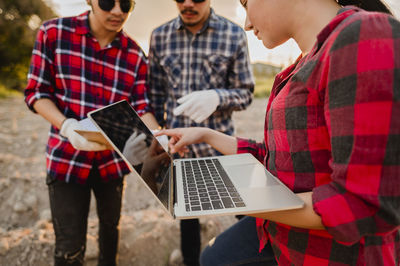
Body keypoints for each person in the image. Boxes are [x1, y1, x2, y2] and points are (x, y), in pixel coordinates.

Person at [156, 0, 400, 265]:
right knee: (214, 257)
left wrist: (234, 196)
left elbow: (366, 204)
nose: (247, 23)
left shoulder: (361, 34)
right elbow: (276, 157)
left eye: (246, 3)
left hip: (329, 255)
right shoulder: (301, 63)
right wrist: (206, 134)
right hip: (282, 239)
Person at [24, 0, 158, 265]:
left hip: (112, 164)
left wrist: (159, 136)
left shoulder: (135, 54)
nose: (118, 11)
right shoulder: (53, 33)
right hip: (66, 162)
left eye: (127, 4)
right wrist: (66, 126)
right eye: (108, 1)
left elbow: (142, 108)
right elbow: (37, 92)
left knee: (110, 236)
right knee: (70, 249)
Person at [147, 0, 257, 265]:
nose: (187, 3)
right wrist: (157, 135)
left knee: (246, 212)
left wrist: (217, 97)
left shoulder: (233, 34)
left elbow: (245, 93)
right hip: (178, 151)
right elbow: (154, 96)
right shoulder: (159, 36)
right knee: (186, 219)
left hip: (219, 148)